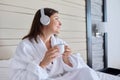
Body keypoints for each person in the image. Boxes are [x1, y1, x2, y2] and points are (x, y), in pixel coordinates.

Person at [10, 8, 100, 80]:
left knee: (86, 72)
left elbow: (77, 67)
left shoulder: (60, 43)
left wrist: (67, 60)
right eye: (56, 19)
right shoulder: (25, 46)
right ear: (44, 20)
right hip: (42, 78)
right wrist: (42, 64)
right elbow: (17, 77)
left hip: (62, 78)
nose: (60, 23)